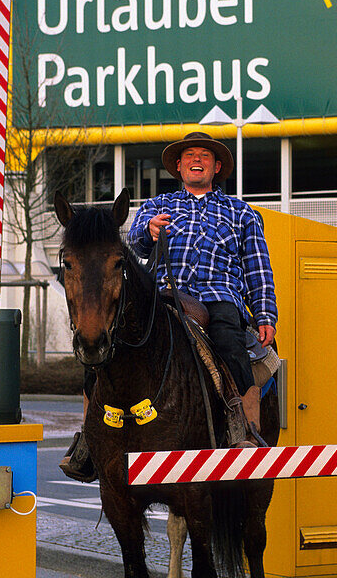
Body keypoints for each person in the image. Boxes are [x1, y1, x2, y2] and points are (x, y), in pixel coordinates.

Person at [127, 131, 277, 447]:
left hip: (220, 299)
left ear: (217, 167)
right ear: (179, 167)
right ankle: (97, 438)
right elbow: (135, 244)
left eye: (205, 155)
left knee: (231, 347)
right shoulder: (156, 206)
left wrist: (265, 314)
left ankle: (243, 429)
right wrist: (149, 231)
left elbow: (258, 268)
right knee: (117, 345)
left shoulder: (242, 213)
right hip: (166, 294)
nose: (197, 160)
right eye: (190, 155)